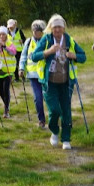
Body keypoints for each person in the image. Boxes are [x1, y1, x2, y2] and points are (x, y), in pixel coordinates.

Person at [31, 14, 86, 150]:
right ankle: (55, 131)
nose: (57, 30)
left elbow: (83, 56)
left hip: (66, 82)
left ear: (63, 28)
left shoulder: (69, 40)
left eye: (60, 27)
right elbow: (34, 56)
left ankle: (66, 139)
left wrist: (74, 56)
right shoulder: (46, 39)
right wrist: (48, 51)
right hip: (50, 82)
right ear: (51, 28)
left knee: (66, 111)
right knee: (55, 110)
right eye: (55, 27)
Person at [18, 19, 47, 129]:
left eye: (38, 30)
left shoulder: (47, 41)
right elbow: (23, 56)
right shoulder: (28, 42)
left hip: (46, 75)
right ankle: (41, 119)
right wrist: (21, 68)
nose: (36, 32)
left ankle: (54, 117)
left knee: (48, 98)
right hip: (33, 76)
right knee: (37, 98)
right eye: (34, 30)